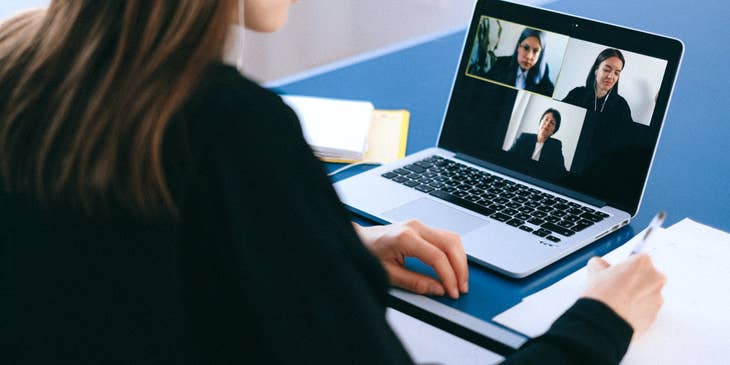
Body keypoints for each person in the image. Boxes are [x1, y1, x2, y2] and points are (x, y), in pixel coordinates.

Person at [0, 1, 665, 364]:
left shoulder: (18, 59)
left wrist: (330, 243)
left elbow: (121, 252)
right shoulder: (234, 131)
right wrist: (600, 320)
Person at [485, 28, 555, 97]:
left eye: (535, 51)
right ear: (518, 47)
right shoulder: (502, 63)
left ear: (540, 55)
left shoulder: (543, 72)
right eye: (526, 48)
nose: (529, 56)